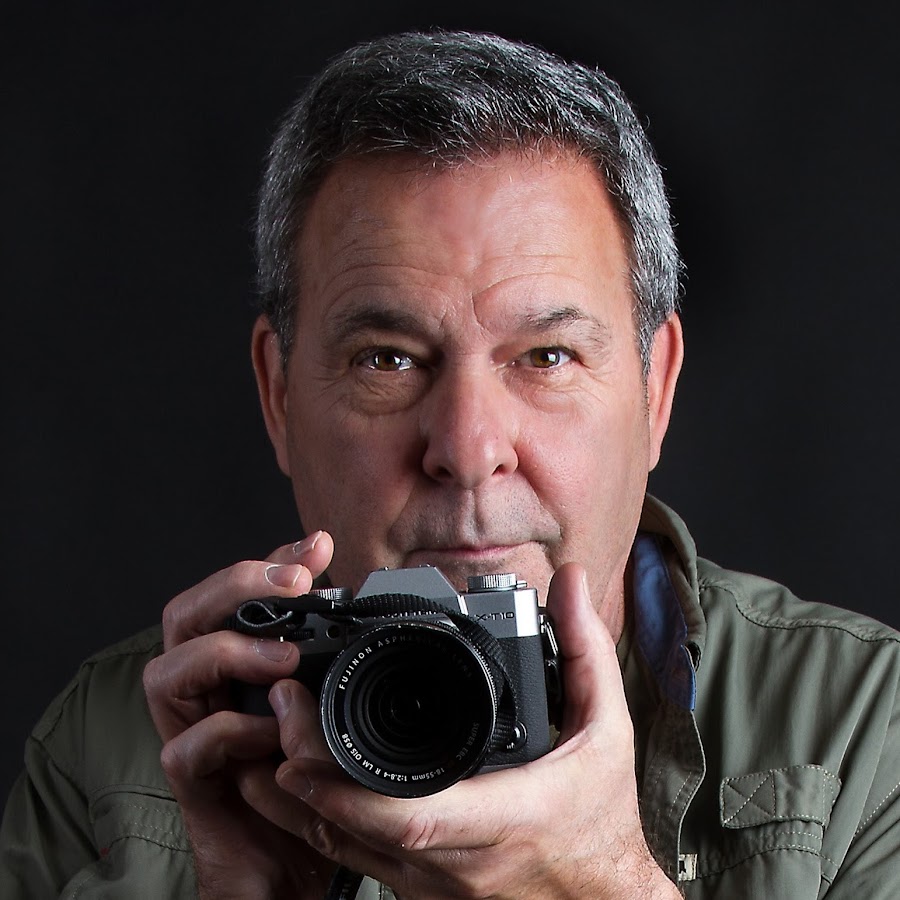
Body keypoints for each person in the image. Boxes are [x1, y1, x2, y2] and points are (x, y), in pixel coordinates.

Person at [2, 29, 899, 899]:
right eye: (388, 359)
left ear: (654, 390)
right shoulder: (112, 748)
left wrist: (598, 891)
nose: (468, 451)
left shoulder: (864, 728)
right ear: (279, 396)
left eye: (546, 357)